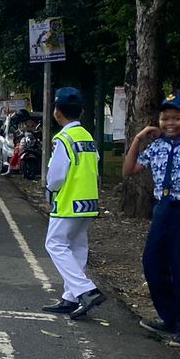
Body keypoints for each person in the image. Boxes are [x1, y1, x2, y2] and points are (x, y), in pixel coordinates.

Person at [125, 93, 180, 348]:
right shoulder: (158, 145)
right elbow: (130, 170)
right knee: (152, 262)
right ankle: (170, 317)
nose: (170, 123)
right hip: (165, 207)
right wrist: (138, 139)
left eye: (177, 118)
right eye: (166, 118)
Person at [42, 88, 104, 321]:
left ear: (57, 113)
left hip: (68, 201)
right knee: (77, 247)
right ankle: (71, 297)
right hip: (88, 202)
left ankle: (86, 291)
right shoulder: (87, 137)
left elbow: (56, 175)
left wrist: (50, 190)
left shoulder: (64, 139)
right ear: (82, 111)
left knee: (55, 244)